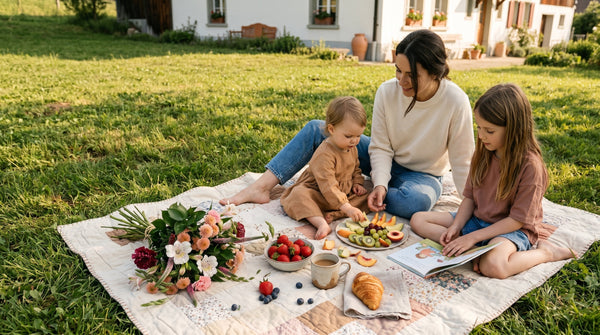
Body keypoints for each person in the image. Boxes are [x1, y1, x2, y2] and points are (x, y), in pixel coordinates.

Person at [220, 29, 475, 219]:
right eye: (398, 70)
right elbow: (381, 147)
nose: (401, 80)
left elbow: (463, 162)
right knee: (315, 129)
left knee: (416, 203)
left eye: (411, 75)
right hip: (382, 160)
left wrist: (470, 205)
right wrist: (380, 183)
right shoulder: (387, 92)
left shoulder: (455, 101)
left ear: (435, 72)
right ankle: (261, 187)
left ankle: (344, 193)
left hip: (423, 175)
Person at [410, 83, 575, 279]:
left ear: (513, 129)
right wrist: (456, 227)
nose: (481, 135)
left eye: (489, 130)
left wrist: (472, 237)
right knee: (418, 219)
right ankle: (471, 249)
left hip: (511, 229)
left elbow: (517, 220)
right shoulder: (483, 152)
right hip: (477, 220)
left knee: (494, 266)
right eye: (479, 127)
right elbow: (470, 198)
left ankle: (546, 253)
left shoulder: (531, 166)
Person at [279, 96, 369, 239]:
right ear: (331, 129)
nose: (355, 140)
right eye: (349, 135)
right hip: (318, 192)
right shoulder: (325, 154)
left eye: (359, 135)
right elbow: (328, 185)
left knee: (368, 196)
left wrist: (357, 182)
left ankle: (335, 213)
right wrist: (347, 207)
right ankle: (321, 223)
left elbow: (355, 167)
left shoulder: (351, 146)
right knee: (298, 195)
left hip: (342, 193)